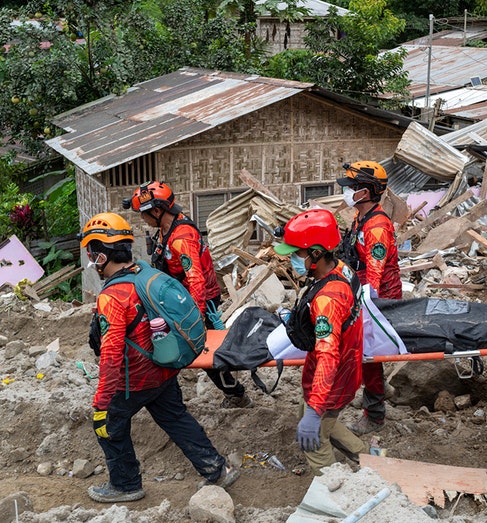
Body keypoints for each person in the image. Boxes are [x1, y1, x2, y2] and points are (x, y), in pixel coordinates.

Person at [79, 212, 239, 503]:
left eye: (92, 253)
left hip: (134, 380)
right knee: (175, 417)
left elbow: (112, 355)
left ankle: (126, 485)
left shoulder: (113, 296)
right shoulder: (146, 274)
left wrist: (101, 403)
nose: (91, 260)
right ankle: (218, 469)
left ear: (101, 256)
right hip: (163, 369)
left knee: (108, 427)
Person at [124, 181, 252, 409]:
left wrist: (194, 317)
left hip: (196, 301)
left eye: (144, 214)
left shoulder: (182, 238)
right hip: (180, 298)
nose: (142, 219)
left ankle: (236, 394)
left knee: (202, 351)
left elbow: (196, 280)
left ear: (157, 210)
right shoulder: (166, 228)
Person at [273, 209, 368, 475]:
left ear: (316, 253)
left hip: (332, 377)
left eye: (296, 253)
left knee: (313, 441)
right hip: (345, 368)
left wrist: (315, 410)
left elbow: (328, 356)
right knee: (319, 417)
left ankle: (340, 493)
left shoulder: (327, 299)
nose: (291, 258)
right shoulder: (342, 270)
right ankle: (369, 457)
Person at [335, 161, 401, 435]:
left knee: (368, 356)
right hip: (363, 291)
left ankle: (374, 415)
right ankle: (378, 389)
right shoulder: (360, 219)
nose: (347, 191)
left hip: (379, 298)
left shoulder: (376, 227)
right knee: (366, 355)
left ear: (365, 192)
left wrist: (365, 302)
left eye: (351, 187)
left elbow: (374, 271)